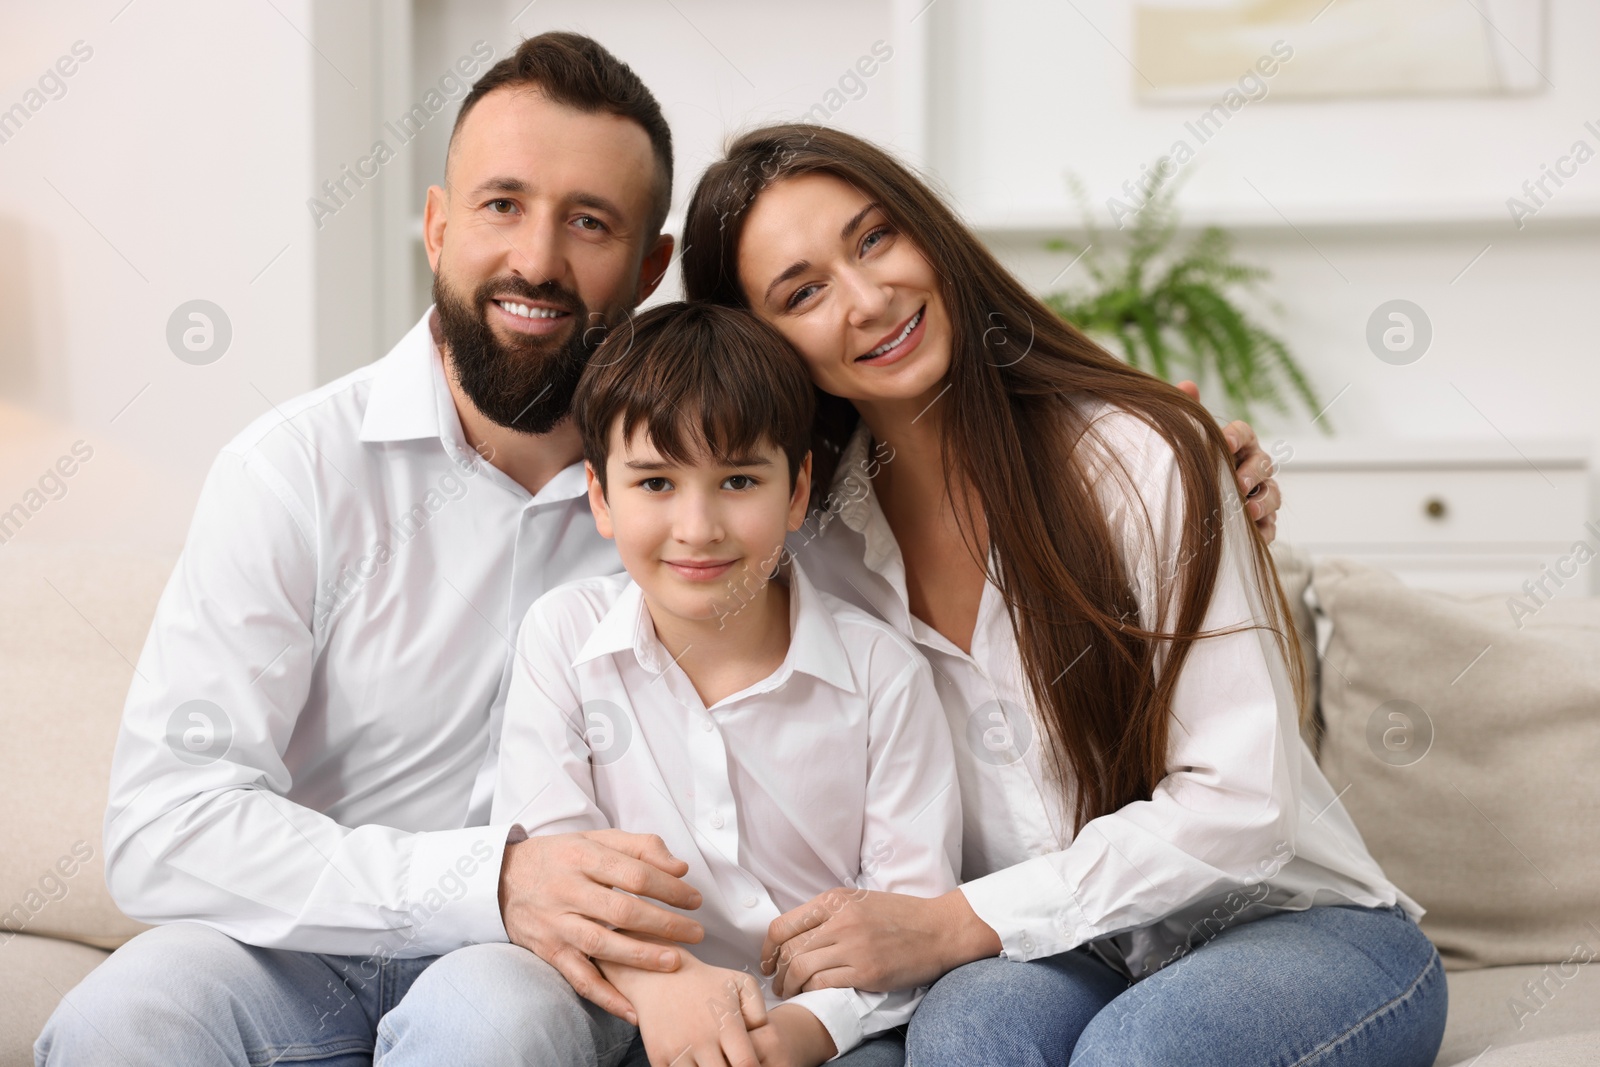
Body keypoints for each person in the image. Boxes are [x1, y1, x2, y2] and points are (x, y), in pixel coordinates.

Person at [35, 32, 1283, 1067]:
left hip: (522, 975)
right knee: (118, 1020)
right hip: (302, 936)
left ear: (650, 266)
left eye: (587, 222)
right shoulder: (294, 471)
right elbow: (161, 829)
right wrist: (495, 875)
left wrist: (1175, 463)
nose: (535, 257)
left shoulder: (733, 492)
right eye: (501, 207)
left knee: (499, 1022)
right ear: (435, 224)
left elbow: (962, 475)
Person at [677, 124, 1448, 1066]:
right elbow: (650, 534)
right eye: (804, 291)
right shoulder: (813, 547)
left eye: (876, 238)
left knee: (1139, 1050)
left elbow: (1244, 804)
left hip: (1297, 924)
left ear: (930, 233)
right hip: (1062, 947)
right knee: (965, 1035)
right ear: (761, 347)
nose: (870, 299)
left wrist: (954, 920)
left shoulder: (1138, 457)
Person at [491, 301, 959, 1066]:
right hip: (626, 1008)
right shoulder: (564, 637)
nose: (698, 526)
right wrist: (662, 989)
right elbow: (561, 871)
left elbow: (907, 924)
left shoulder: (882, 673)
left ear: (798, 488)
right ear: (601, 497)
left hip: (834, 1034)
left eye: (738, 479)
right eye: (655, 483)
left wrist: (795, 1035)